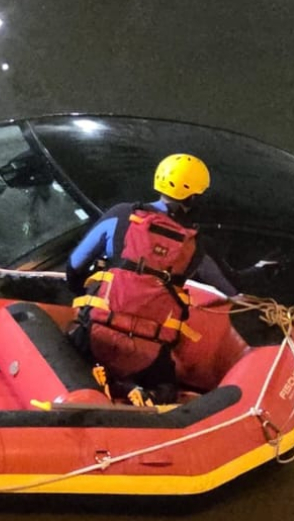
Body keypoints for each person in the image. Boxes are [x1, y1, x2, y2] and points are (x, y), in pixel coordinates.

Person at [65, 153, 238, 403]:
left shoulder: (121, 215)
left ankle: (113, 383)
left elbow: (75, 265)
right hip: (147, 352)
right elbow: (226, 286)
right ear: (194, 197)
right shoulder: (194, 245)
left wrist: (84, 293)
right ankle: (138, 390)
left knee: (69, 346)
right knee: (168, 388)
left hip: (93, 336)